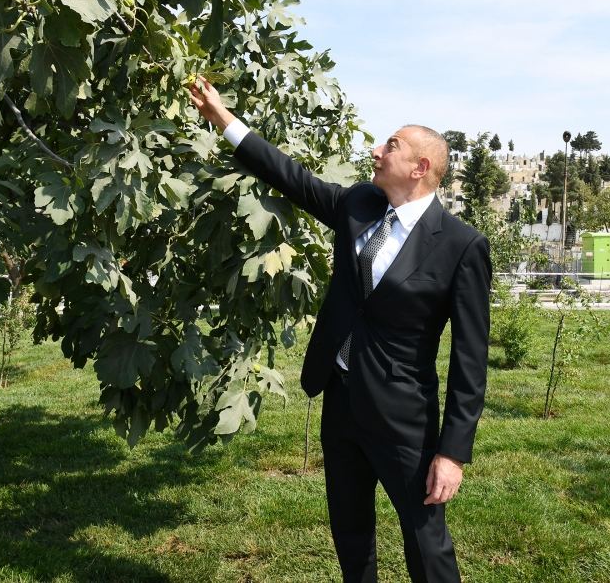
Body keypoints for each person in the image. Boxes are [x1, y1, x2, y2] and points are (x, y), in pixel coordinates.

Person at [188, 77, 491, 583]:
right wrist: (223, 119)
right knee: (350, 534)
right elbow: (292, 177)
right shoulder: (357, 207)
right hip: (341, 400)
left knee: (424, 539)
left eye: (390, 145)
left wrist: (452, 452)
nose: (376, 150)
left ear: (421, 168)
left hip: (404, 418)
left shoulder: (460, 245)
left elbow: (470, 359)